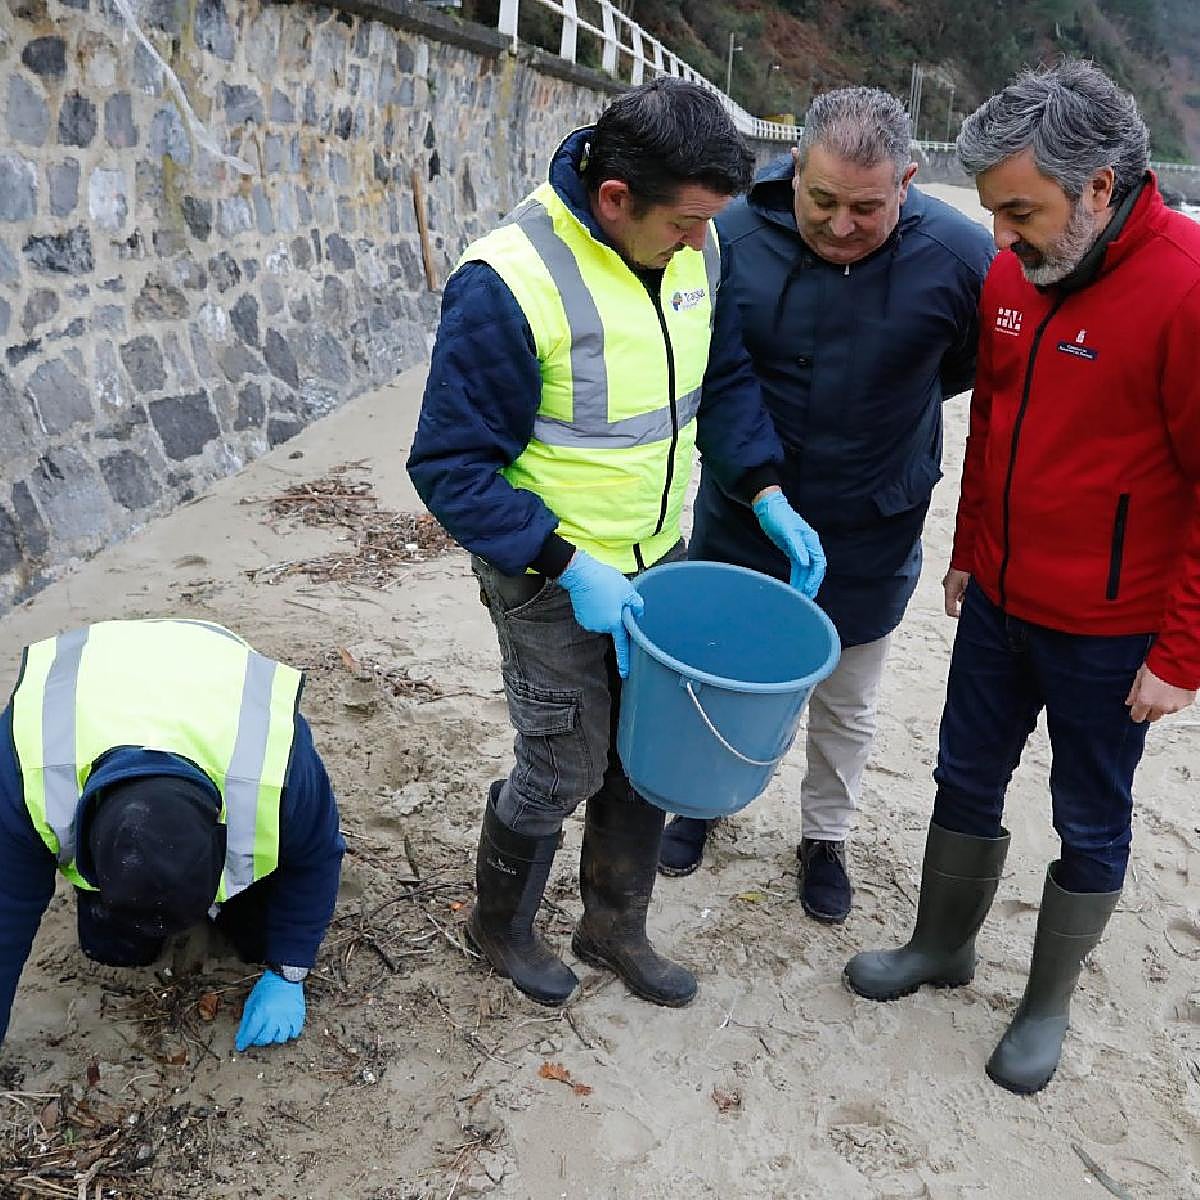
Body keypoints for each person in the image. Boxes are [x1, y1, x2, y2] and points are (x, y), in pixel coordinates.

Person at [407, 77, 824, 1010]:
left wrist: (763, 489)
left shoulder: (693, 248)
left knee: (648, 752)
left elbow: (721, 376)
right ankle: (500, 927)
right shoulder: (508, 283)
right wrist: (561, 561)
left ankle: (611, 927)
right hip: (548, 576)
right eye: (684, 222)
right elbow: (449, 467)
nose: (699, 239)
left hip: (656, 558)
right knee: (563, 763)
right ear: (614, 199)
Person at [844, 60, 1200, 1095]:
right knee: (964, 773)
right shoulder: (1015, 275)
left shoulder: (1184, 291)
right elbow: (991, 421)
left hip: (1114, 630)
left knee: (1091, 815)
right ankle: (938, 945)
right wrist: (966, 551)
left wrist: (1180, 655)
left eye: (1019, 211)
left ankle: (1044, 1005)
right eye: (993, 209)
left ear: (1096, 187)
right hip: (999, 600)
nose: (998, 235)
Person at [657, 87, 995, 923]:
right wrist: (756, 483)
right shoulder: (727, 238)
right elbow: (712, 373)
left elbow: (966, 371)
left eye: (868, 208)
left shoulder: (960, 259)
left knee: (847, 700)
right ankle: (699, 803)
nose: (842, 225)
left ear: (909, 182)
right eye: (824, 201)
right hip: (744, 509)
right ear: (793, 169)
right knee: (721, 670)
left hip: (873, 522)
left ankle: (826, 836)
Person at [0, 618, 345, 1053]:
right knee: (113, 948)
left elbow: (317, 857)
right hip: (105, 670)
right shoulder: (25, 774)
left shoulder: (279, 774)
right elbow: (6, 913)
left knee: (257, 938)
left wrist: (289, 973)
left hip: (207, 660)